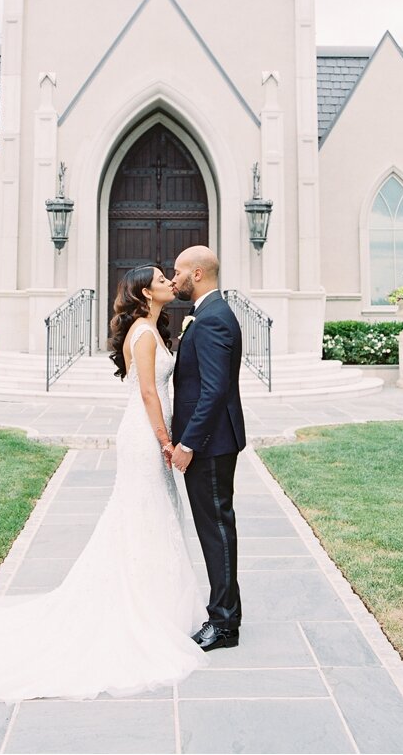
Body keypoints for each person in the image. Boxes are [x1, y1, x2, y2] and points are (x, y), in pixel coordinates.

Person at [0, 264, 206, 702]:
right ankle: (142, 608)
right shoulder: (145, 336)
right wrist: (166, 441)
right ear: (146, 292)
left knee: (147, 515)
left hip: (142, 433)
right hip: (146, 436)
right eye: (163, 279)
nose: (171, 281)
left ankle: (153, 601)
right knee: (144, 514)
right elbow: (149, 392)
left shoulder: (147, 329)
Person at [168, 244, 246, 651]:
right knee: (215, 529)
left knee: (216, 530)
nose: (174, 278)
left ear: (197, 274)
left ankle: (225, 623)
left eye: (178, 271)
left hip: (211, 444)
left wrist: (187, 444)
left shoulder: (214, 318)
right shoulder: (209, 313)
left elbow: (214, 390)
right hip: (212, 441)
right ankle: (225, 613)